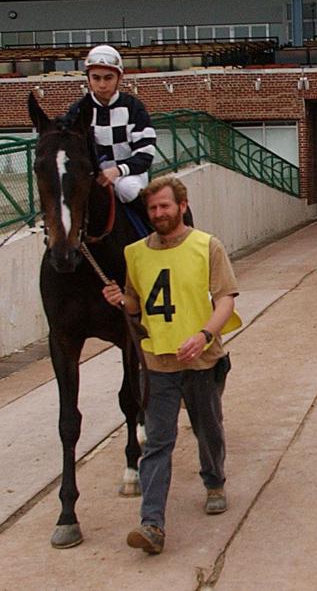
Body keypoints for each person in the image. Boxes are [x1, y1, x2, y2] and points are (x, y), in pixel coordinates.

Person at [102, 175, 241, 555]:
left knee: (207, 429)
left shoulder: (206, 245)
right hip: (158, 361)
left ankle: (214, 481)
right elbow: (137, 303)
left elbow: (226, 298)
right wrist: (120, 300)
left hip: (202, 359)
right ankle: (151, 525)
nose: (158, 213)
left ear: (182, 205)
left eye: (165, 206)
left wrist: (204, 335)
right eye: (152, 208)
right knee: (157, 442)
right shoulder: (135, 253)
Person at [61, 45, 157, 204]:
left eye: (108, 78)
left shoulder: (134, 107)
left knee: (128, 189)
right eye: (96, 78)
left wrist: (117, 171)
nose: (102, 85)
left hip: (128, 175)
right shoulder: (77, 111)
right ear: (88, 79)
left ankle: (151, 228)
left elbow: (146, 154)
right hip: (92, 175)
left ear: (120, 78)